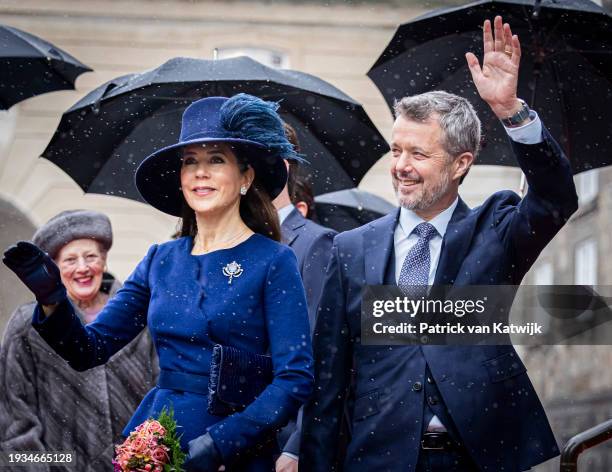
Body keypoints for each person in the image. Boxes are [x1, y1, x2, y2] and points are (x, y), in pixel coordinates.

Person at [300, 16, 578, 472]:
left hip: (477, 457)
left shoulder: (496, 230)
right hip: (376, 458)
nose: (401, 166)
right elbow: (328, 379)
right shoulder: (350, 248)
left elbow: (555, 198)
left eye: (419, 154)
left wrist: (512, 112)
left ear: (460, 164)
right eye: (396, 150)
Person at [3, 94, 314, 472]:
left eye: (216, 159)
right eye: (190, 162)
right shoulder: (160, 259)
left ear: (245, 177)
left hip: (232, 452)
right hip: (154, 443)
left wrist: (221, 444)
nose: (200, 172)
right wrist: (52, 298)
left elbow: (294, 378)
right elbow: (89, 349)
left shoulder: (273, 260)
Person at [0, 210, 159, 471]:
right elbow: (15, 420)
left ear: (104, 260)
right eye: (70, 259)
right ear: (51, 267)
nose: (83, 268)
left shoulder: (137, 316)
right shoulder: (26, 326)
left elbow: (162, 391)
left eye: (91, 256)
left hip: (136, 466)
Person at [273, 124, 336, 472]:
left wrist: (298, 446)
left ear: (281, 165)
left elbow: (321, 352)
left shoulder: (316, 242)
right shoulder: (231, 243)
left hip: (283, 445)